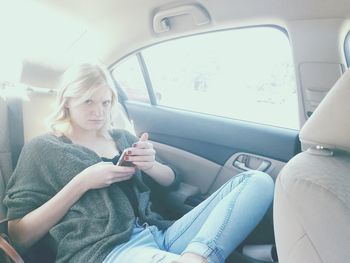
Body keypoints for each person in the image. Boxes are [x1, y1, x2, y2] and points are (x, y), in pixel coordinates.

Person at [4, 63, 274, 263]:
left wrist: (152, 165)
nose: (99, 112)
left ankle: (198, 256)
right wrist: (82, 182)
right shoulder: (42, 149)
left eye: (105, 102)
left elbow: (172, 181)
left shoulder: (122, 138)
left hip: (160, 232)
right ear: (67, 102)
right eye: (88, 101)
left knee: (257, 180)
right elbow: (18, 235)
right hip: (105, 250)